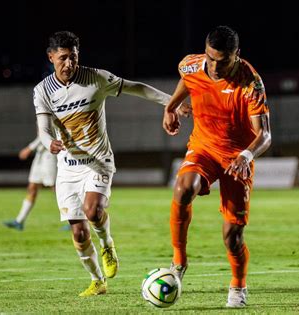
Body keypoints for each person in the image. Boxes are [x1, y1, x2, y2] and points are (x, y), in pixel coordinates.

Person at [34, 31, 190, 297]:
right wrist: (49, 142)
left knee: (93, 211)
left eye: (73, 57)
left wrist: (171, 103)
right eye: (62, 58)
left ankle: (107, 244)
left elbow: (136, 87)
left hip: (98, 161)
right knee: (79, 234)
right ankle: (97, 281)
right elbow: (43, 128)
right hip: (67, 167)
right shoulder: (42, 90)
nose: (69, 63)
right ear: (51, 57)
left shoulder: (96, 78)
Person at [162, 25, 271, 308]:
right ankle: (178, 262)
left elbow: (265, 135)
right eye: (211, 58)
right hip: (204, 147)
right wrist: (171, 106)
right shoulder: (192, 64)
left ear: (237, 55)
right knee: (184, 187)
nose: (214, 66)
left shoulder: (250, 82)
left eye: (222, 61)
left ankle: (238, 286)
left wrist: (247, 156)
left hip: (237, 159)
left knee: (232, 235)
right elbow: (187, 80)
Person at [3, 136, 57, 231]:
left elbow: (45, 134)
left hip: (49, 155)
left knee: (57, 189)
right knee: (32, 188)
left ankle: (74, 218)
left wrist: (30, 148)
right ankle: (19, 221)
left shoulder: (51, 120)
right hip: (40, 155)